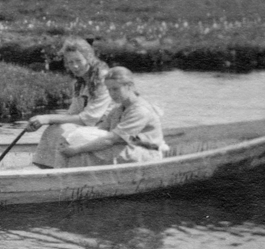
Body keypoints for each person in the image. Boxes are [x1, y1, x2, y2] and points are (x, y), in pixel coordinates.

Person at [25, 37, 113, 168]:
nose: (75, 66)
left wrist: (47, 118)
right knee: (55, 129)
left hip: (110, 130)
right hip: (94, 127)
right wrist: (41, 121)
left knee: (68, 135)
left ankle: (64, 173)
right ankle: (48, 172)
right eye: (70, 62)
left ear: (89, 58)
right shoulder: (80, 82)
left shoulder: (102, 79)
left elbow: (88, 119)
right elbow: (73, 113)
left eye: (78, 60)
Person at [57, 66, 167, 167]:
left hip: (146, 152)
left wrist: (77, 149)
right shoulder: (118, 109)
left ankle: (72, 180)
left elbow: (110, 139)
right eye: (109, 90)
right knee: (72, 137)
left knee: (84, 152)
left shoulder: (140, 110)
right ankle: (63, 177)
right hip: (127, 146)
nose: (112, 94)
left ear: (129, 86)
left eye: (115, 89)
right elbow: (101, 130)